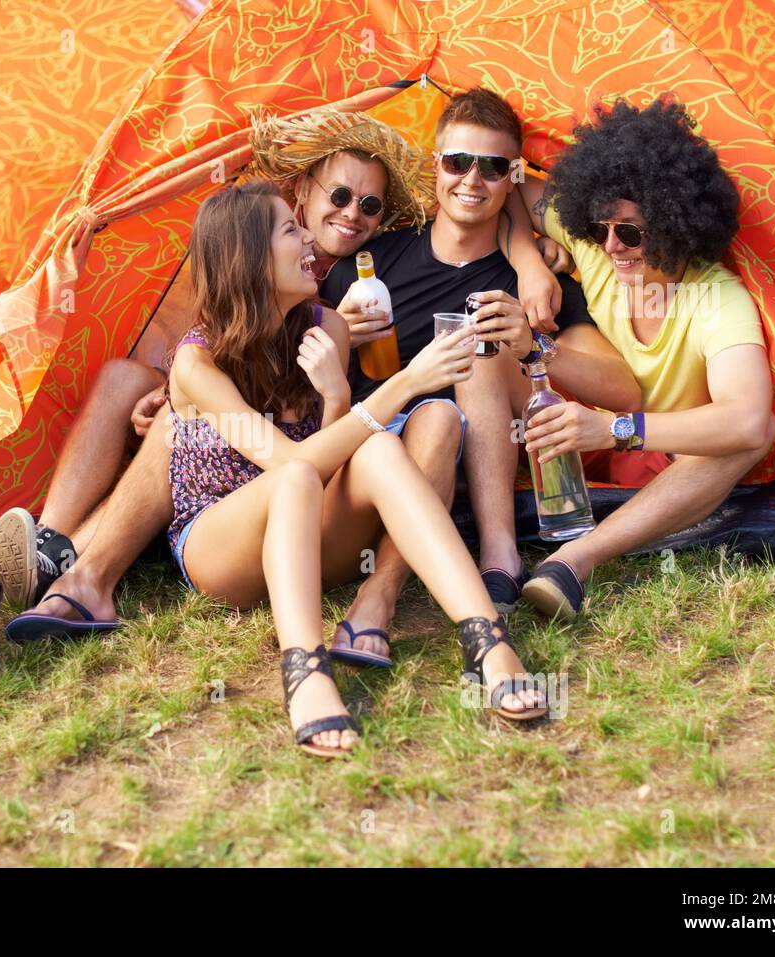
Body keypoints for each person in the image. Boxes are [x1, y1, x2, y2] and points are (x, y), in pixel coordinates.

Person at [0, 107, 562, 608]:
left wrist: (531, 257)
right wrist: (175, 388)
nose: (352, 216)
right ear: (302, 195)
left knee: (178, 421)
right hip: (251, 442)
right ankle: (55, 544)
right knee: (134, 387)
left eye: (370, 205)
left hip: (311, 456)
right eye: (339, 197)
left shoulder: (353, 274)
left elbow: (495, 197)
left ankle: (77, 568)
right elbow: (215, 336)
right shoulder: (249, 239)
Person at [161, 181, 547, 756]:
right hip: (221, 548)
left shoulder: (326, 328)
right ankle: (306, 672)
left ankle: (485, 638)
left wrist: (339, 399)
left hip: (306, 534)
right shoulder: (198, 361)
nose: (308, 241)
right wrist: (405, 382)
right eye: (289, 231)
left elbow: (331, 449)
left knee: (397, 438)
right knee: (301, 470)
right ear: (248, 256)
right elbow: (291, 466)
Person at [316, 87, 641, 665]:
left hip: (464, 455)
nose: (472, 179)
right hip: (367, 464)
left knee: (472, 365)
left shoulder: (536, 281)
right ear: (434, 166)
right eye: (457, 161)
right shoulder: (371, 263)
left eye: (493, 167)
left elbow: (624, 390)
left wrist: (534, 345)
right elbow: (291, 365)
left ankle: (470, 567)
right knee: (431, 414)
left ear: (513, 177)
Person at [505, 97, 775, 622]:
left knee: (753, 435)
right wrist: (528, 260)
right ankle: (498, 557)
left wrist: (615, 429)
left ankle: (574, 562)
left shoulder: (717, 299)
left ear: (675, 224)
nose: (611, 245)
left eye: (629, 232)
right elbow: (510, 177)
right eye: (600, 227)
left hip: (658, 462)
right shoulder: (599, 250)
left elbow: (746, 418)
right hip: (566, 439)